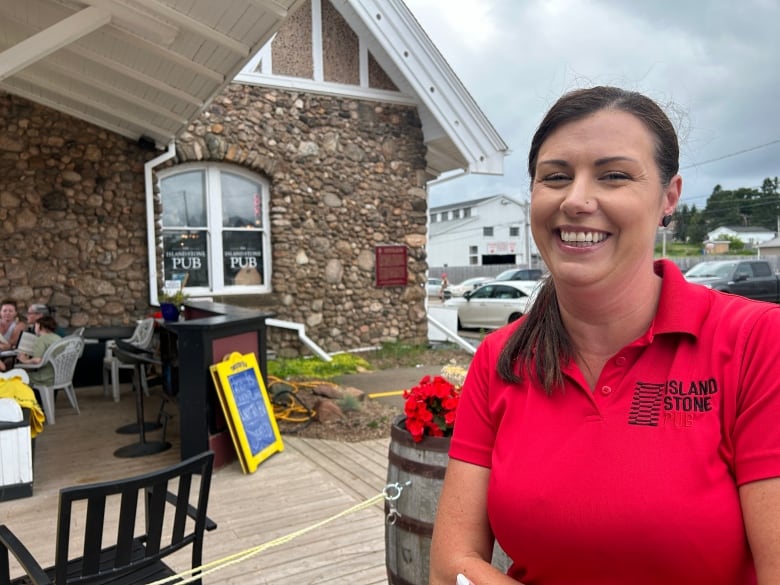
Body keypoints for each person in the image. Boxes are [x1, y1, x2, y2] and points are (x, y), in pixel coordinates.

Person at [430, 86, 780, 585]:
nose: (576, 200)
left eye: (614, 176)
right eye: (555, 177)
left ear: (668, 198)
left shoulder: (757, 343)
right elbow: (450, 567)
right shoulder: (499, 357)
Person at [14, 315, 61, 386]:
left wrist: (24, 360)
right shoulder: (58, 338)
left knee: (16, 378)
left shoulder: (41, 339)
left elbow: (38, 361)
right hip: (60, 376)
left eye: (35, 325)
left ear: (39, 326)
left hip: (45, 378)